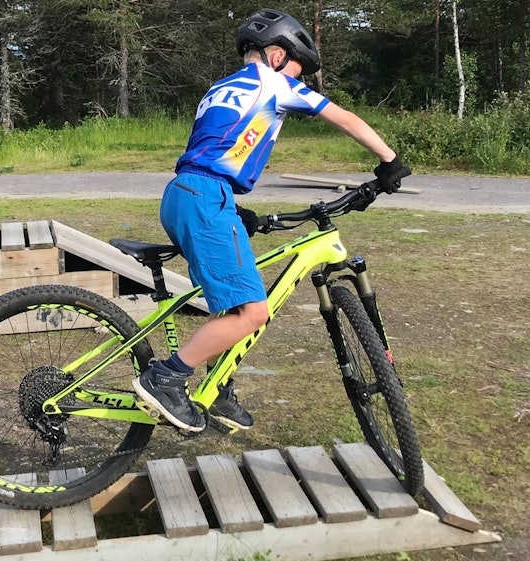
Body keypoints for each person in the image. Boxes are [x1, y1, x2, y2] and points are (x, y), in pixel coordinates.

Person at [133, 8, 410, 433]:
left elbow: (212, 148)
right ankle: (165, 379)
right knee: (252, 312)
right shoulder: (274, 81)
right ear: (278, 56)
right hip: (206, 197)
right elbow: (344, 118)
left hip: (189, 192)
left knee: (232, 303)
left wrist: (231, 207)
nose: (299, 83)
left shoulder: (221, 87)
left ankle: (217, 388)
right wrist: (390, 162)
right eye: (298, 72)